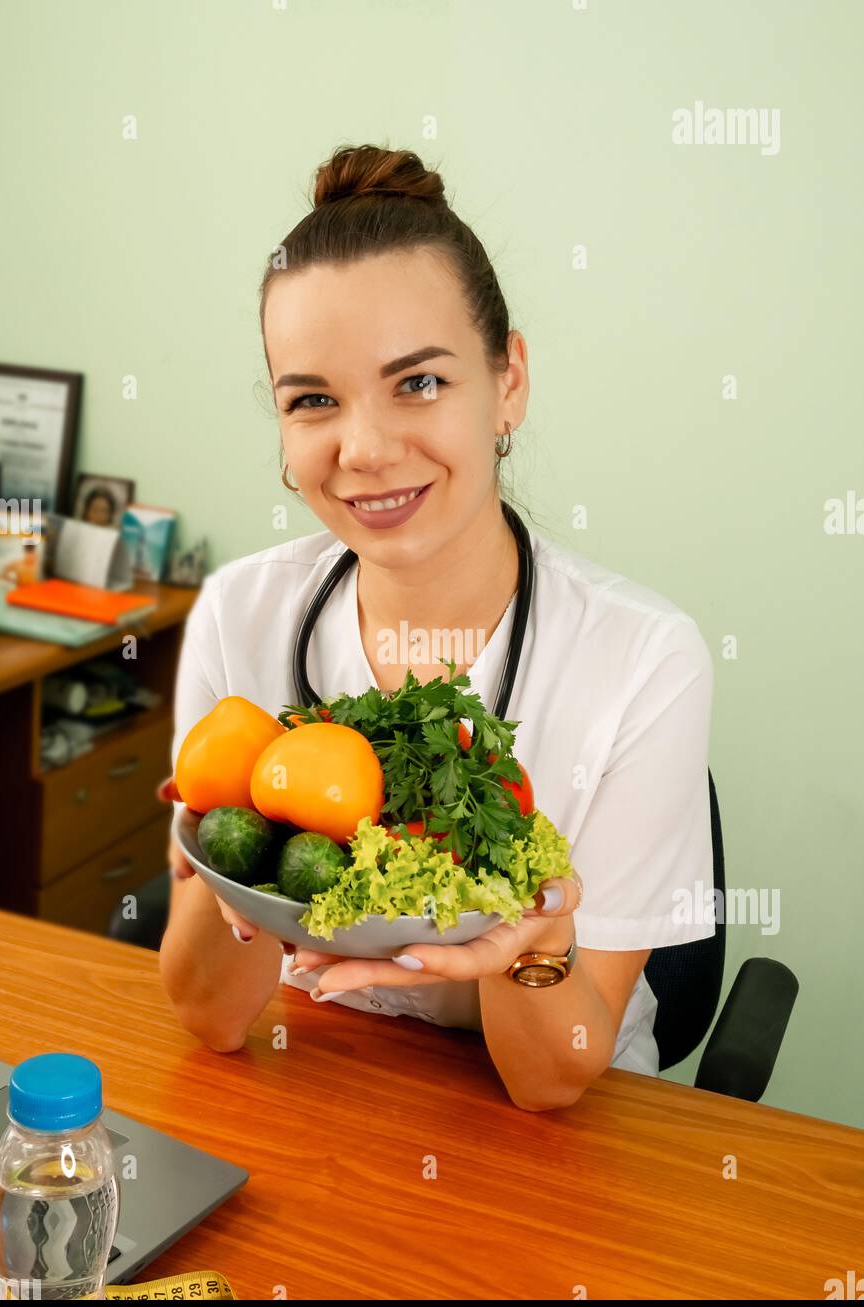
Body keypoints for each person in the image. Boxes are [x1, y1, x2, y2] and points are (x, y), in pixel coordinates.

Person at [159, 143, 715, 1111]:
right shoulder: (242, 614)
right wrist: (226, 864)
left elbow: (551, 1082)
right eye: (312, 401)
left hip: (542, 1125)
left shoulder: (639, 658)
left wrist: (528, 948)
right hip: (321, 1079)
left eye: (417, 383)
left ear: (507, 383)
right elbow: (209, 1020)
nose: (364, 450)